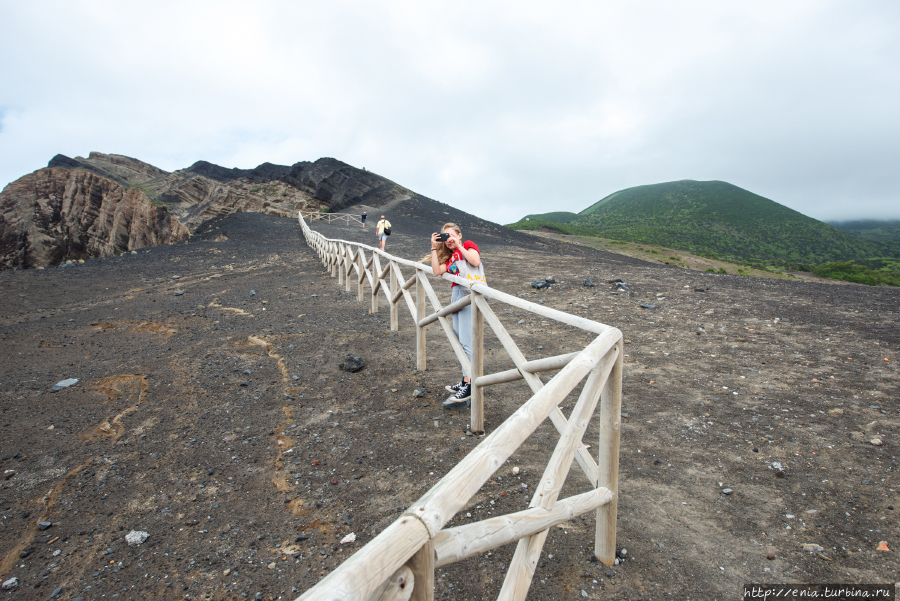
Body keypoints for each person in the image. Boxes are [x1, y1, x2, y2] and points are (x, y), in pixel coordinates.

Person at [430, 223, 484, 408]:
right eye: (446, 237)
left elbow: (475, 262)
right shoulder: (452, 256)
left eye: (452, 235)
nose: (450, 240)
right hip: (457, 295)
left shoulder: (468, 245)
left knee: (467, 343)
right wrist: (434, 248)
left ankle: (469, 385)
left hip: (469, 295)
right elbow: (437, 271)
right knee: (460, 340)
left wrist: (459, 245)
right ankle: (465, 380)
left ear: (460, 235)